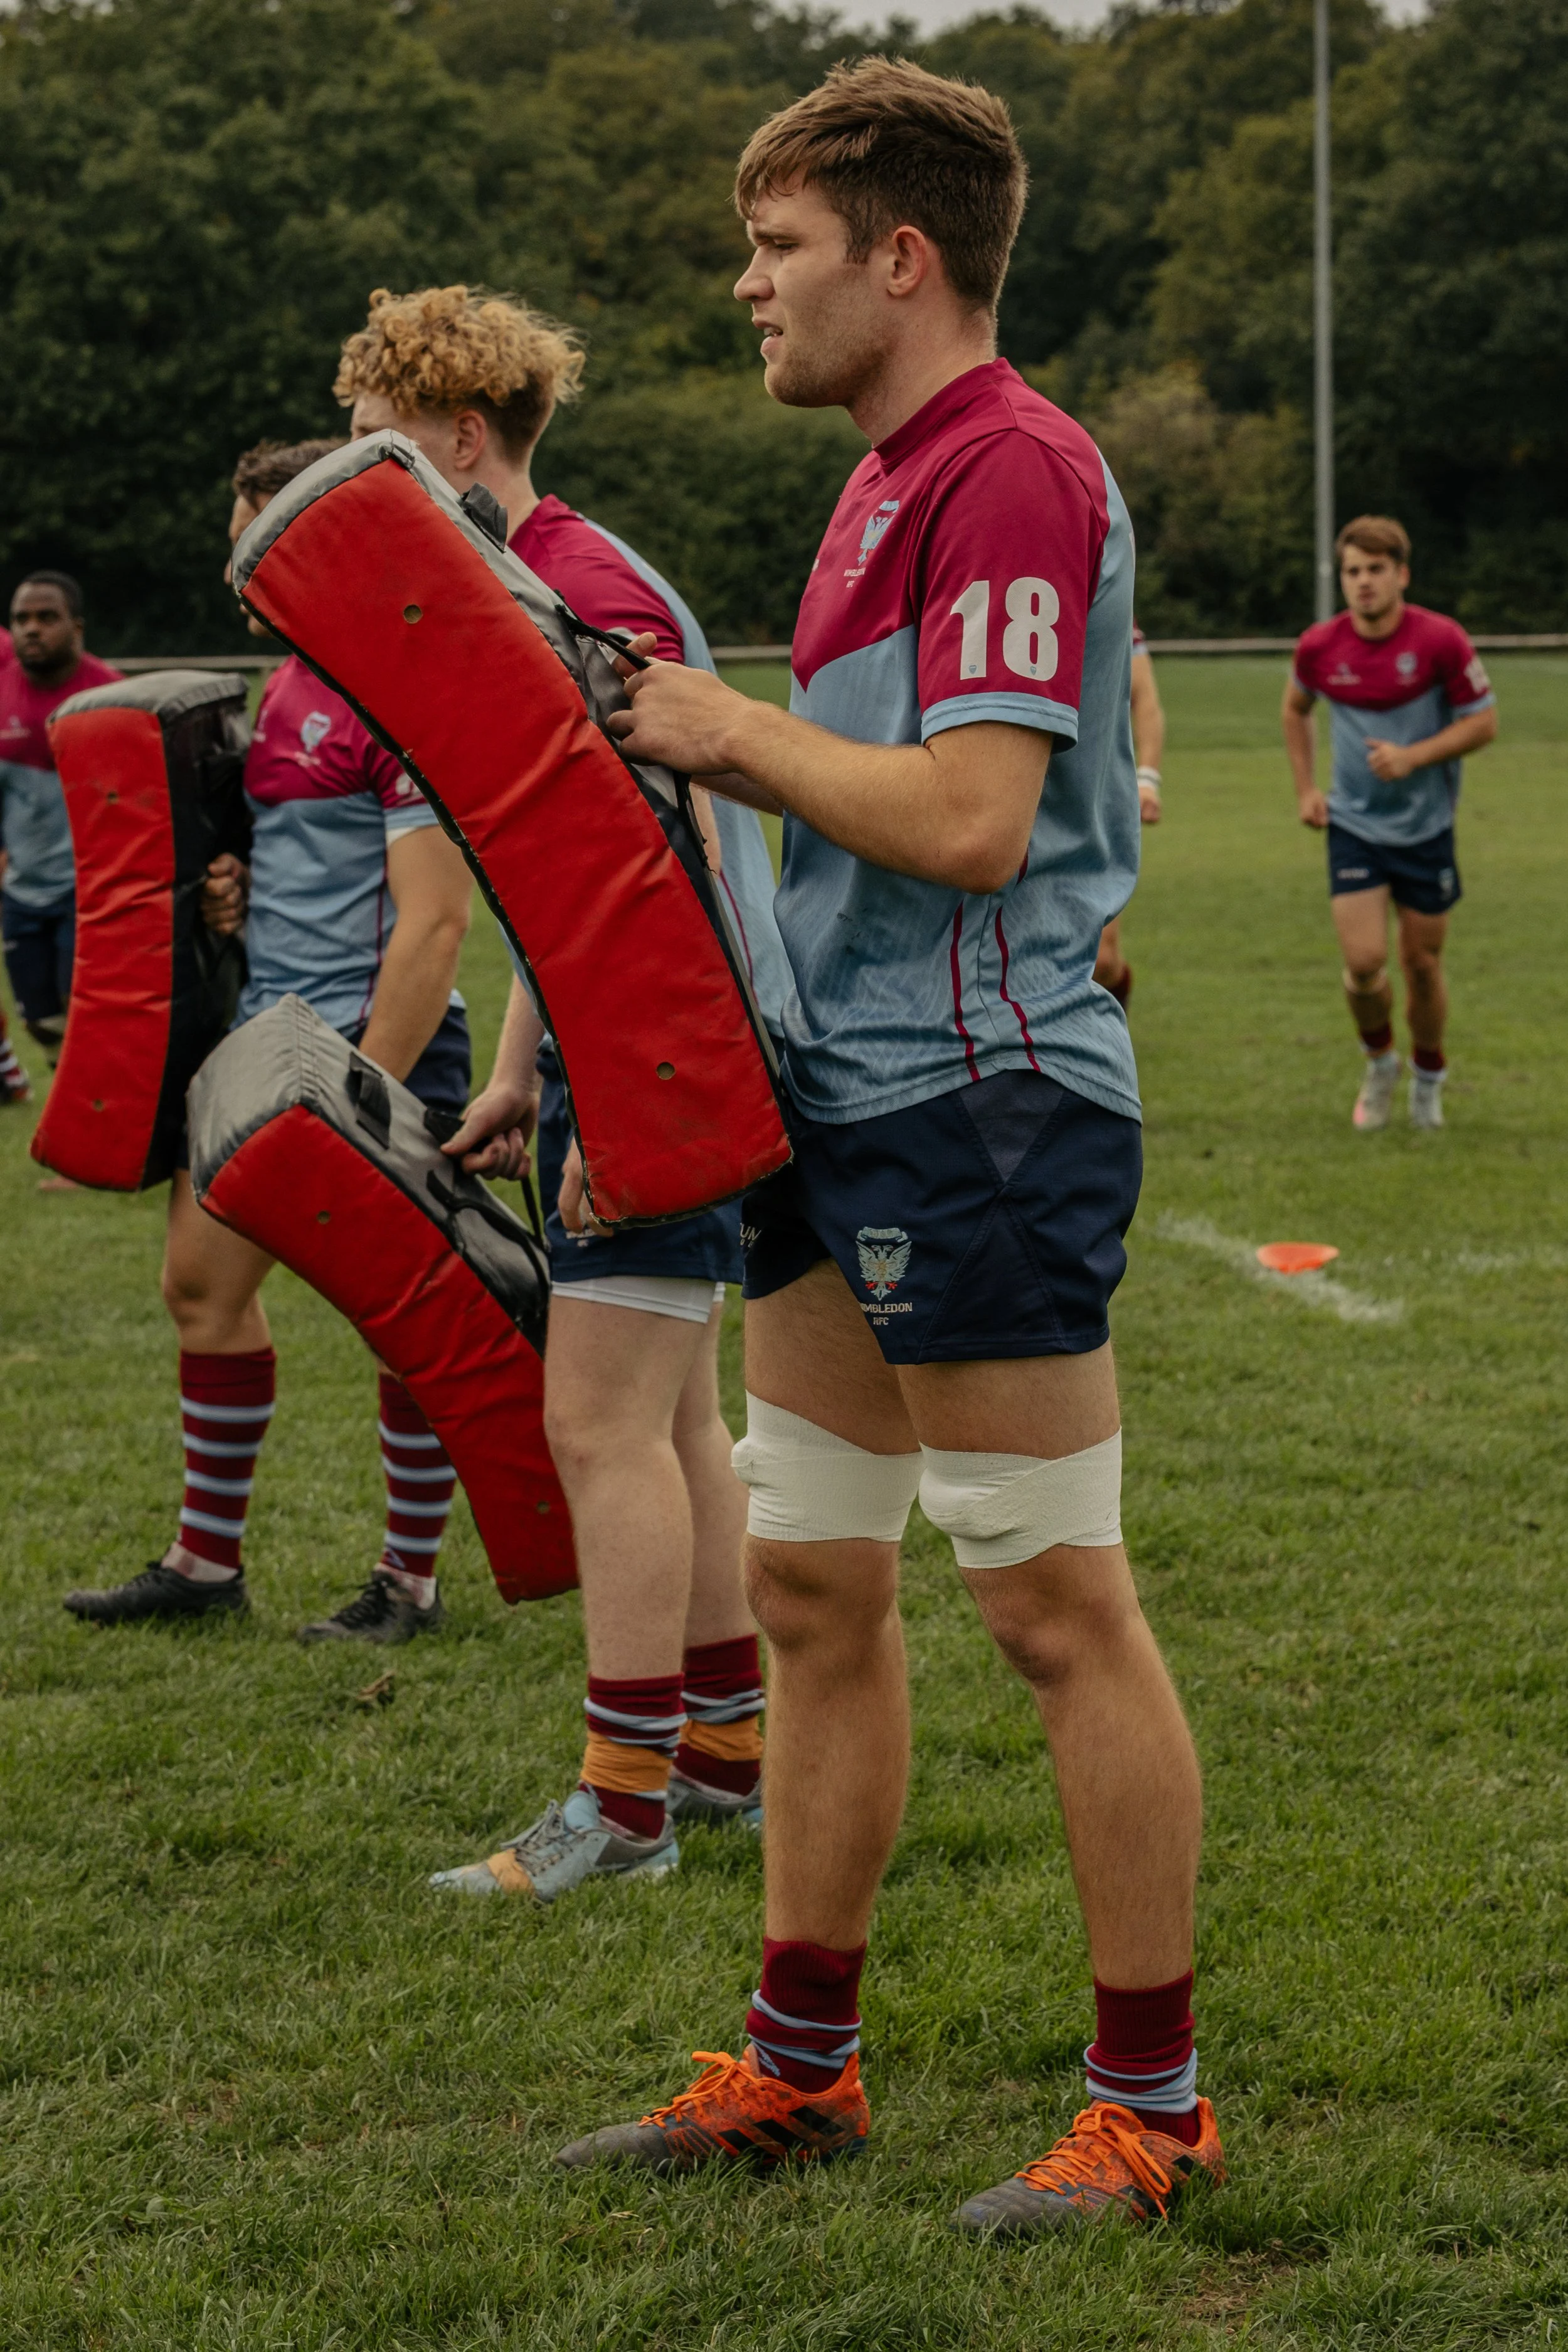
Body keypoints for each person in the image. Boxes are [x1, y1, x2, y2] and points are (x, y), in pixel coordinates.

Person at [551, 59, 1220, 2238]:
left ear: (897, 254)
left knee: (1052, 1610)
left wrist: (725, 721)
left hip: (979, 1108)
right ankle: (800, 2070)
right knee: (818, 1585)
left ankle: (1157, 2108)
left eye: (777, 250)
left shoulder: (1007, 468)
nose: (752, 289)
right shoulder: (878, 481)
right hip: (839, 1107)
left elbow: (973, 821)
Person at [334, 286, 787, 1892]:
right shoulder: (542, 576)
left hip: (668, 1052)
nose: (367, 494)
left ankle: (624, 1804)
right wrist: (527, 1065)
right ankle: (727, 1757)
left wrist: (627, 1098)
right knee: (673, 1415)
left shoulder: (573, 592)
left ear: (464, 438)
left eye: (384, 456)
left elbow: (666, 873)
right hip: (638, 1048)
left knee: (595, 1423)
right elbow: (570, 874)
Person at [61, 439, 477, 1640]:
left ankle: (411, 1583)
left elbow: (436, 923)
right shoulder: (291, 684)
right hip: (257, 1043)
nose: (242, 570)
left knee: (403, 1321)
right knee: (200, 1286)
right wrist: (231, 887)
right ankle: (205, 1566)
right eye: (237, 546)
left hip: (370, 1050)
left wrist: (362, 1086)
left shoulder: (400, 686)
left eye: (262, 543)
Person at [1283, 516, 1496, 1131]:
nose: (1364, 582)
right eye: (1352, 571)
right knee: (1364, 963)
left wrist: (1414, 757)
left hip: (1426, 828)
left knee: (1422, 966)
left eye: (1376, 570)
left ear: (1401, 574)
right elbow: (1294, 711)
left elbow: (1483, 723)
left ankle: (1428, 1077)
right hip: (1353, 826)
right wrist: (1305, 788)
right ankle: (1379, 1064)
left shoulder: (1441, 641)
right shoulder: (1319, 647)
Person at [0, 572, 120, 1061]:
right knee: (41, 1022)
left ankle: (94, 1113)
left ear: (77, 628)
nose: (32, 629)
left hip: (88, 888)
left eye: (47, 618)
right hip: (22, 889)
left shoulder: (111, 698)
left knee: (85, 1010)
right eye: (22, 619)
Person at [1093, 622, 1163, 1008]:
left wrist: (1148, 778)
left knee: (1101, 961)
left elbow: (1145, 699)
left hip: (1095, 802)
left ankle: (1111, 1034)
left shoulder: (1112, 612)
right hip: (1013, 795)